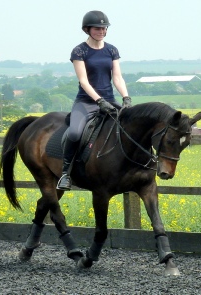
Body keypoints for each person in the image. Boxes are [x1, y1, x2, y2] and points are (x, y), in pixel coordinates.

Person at [56, 10, 132, 191]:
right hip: (86, 102)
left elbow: (118, 77)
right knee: (75, 133)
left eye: (103, 28)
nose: (101, 31)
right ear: (87, 29)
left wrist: (126, 97)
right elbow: (83, 80)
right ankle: (66, 174)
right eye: (97, 28)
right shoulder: (79, 51)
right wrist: (99, 100)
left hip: (110, 100)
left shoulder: (111, 50)